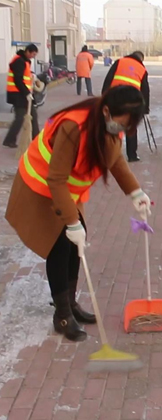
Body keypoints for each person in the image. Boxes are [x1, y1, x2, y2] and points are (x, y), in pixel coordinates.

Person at [5, 85, 152, 342]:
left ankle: (70, 304)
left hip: (65, 191)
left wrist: (135, 193)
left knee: (75, 247)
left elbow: (114, 159)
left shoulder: (106, 123)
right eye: (123, 124)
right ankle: (62, 316)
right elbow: (56, 178)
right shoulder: (73, 127)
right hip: (40, 184)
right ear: (107, 111)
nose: (124, 131)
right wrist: (71, 222)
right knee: (59, 245)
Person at [102, 51, 150, 162]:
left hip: (114, 97)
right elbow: (145, 90)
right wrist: (145, 108)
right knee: (130, 126)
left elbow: (108, 79)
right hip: (131, 101)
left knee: (110, 124)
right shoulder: (142, 69)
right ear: (141, 59)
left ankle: (107, 152)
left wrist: (104, 97)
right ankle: (132, 155)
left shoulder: (119, 62)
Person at [3, 44, 39, 149]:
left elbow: (24, 75)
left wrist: (32, 75)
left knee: (33, 115)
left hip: (23, 93)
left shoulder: (25, 61)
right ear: (27, 51)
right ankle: (9, 140)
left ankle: (36, 139)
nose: (33, 56)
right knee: (20, 117)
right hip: (18, 94)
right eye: (33, 54)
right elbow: (17, 80)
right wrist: (27, 93)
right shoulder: (19, 61)